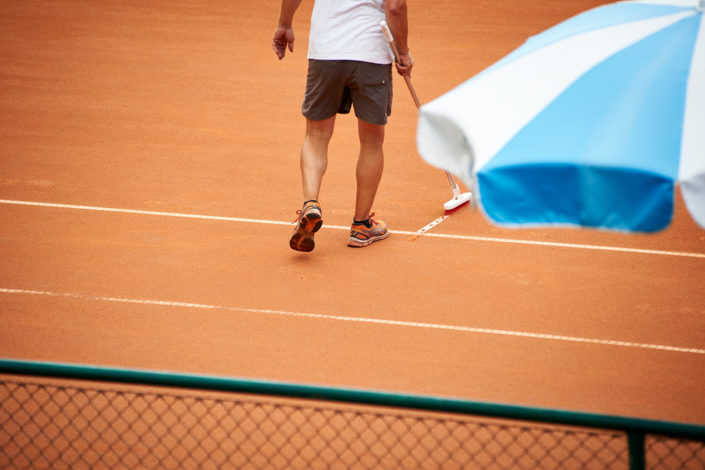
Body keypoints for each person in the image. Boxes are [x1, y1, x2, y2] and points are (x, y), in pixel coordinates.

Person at [273, 0, 413, 252]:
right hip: (370, 52)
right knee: (371, 141)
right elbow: (395, 7)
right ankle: (361, 226)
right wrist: (403, 52)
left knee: (316, 135)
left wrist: (285, 23)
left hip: (325, 50)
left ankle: (310, 204)